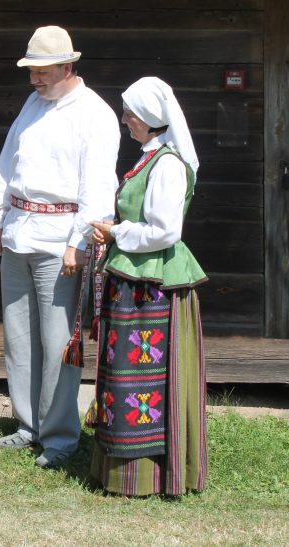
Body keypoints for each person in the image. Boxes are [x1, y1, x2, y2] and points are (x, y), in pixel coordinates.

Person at [0, 26, 121, 468]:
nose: (34, 80)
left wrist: (78, 242)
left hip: (59, 238)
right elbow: (9, 160)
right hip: (19, 231)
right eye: (31, 72)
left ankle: (61, 438)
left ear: (68, 67)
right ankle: (28, 426)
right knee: (18, 336)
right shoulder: (32, 103)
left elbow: (99, 184)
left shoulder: (94, 114)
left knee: (58, 341)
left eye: (42, 72)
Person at [87, 76, 207, 496]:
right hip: (133, 281)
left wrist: (117, 232)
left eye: (129, 114)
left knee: (148, 378)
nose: (125, 120)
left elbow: (165, 231)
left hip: (155, 287)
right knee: (125, 374)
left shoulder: (169, 165)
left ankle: (155, 473)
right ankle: (122, 470)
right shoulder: (147, 158)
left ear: (150, 118)